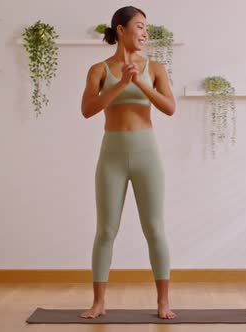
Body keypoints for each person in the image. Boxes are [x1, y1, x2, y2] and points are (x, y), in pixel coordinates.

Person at [79, 6, 176, 320]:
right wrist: (121, 84)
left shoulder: (156, 67)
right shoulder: (100, 69)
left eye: (147, 27)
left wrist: (141, 83)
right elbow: (88, 109)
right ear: (120, 30)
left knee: (155, 229)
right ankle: (98, 302)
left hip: (146, 151)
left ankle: (163, 302)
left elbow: (170, 107)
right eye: (139, 26)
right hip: (112, 155)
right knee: (106, 230)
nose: (145, 33)